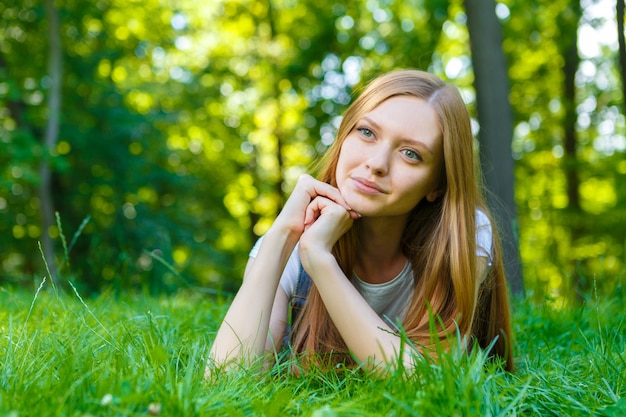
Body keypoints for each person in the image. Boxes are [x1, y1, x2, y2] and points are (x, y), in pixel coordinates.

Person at [207, 69, 514, 375]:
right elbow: (227, 379)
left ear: (437, 185)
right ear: (343, 136)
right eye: (367, 132)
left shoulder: (464, 234)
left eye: (410, 154)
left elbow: (427, 380)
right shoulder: (290, 244)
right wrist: (282, 235)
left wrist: (320, 260)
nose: (377, 164)